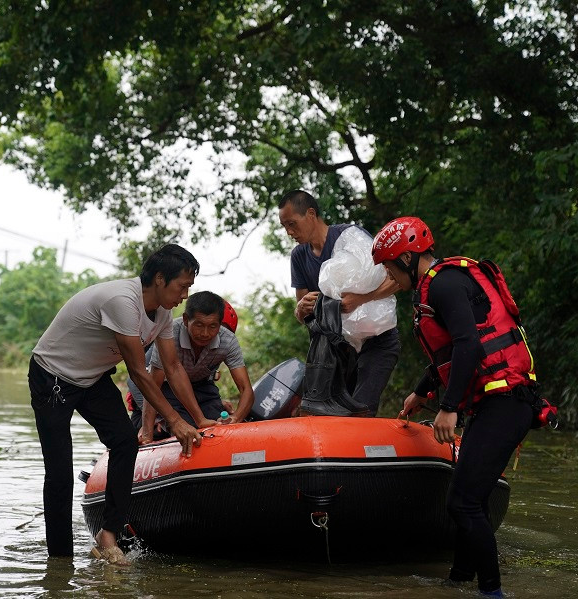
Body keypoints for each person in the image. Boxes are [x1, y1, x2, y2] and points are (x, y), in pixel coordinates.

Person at [372, 216, 538, 598]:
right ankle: (460, 582)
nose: (389, 277)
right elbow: (448, 355)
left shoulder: (444, 285)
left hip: (506, 403)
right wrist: (420, 393)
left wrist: (448, 409)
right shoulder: (439, 285)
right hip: (499, 403)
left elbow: (469, 346)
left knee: (462, 502)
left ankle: (492, 592)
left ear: (408, 259)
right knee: (469, 499)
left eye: (390, 268)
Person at [28, 244, 203, 565]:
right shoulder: (123, 301)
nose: (185, 294)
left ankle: (107, 534)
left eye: (189, 286)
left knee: (124, 441)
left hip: (92, 377)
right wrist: (174, 422)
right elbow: (138, 370)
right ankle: (60, 562)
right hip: (52, 375)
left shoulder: (163, 314)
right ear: (160, 279)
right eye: (182, 285)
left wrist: (199, 419)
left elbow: (173, 368)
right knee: (60, 474)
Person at [277, 189, 401, 415]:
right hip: (340, 350)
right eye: (284, 226)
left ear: (311, 214)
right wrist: (301, 308)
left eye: (292, 224)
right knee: (335, 414)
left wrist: (361, 299)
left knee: (361, 410)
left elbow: (397, 281)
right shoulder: (299, 256)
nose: (289, 232)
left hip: (378, 340)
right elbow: (302, 315)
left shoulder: (350, 238)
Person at [133, 292, 254, 444]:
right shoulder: (169, 334)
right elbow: (153, 386)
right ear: (185, 320)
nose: (205, 333)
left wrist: (236, 417)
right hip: (167, 387)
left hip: (202, 385)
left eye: (212, 326)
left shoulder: (228, 340)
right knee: (187, 428)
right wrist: (147, 432)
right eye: (199, 325)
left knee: (219, 424)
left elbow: (246, 389)